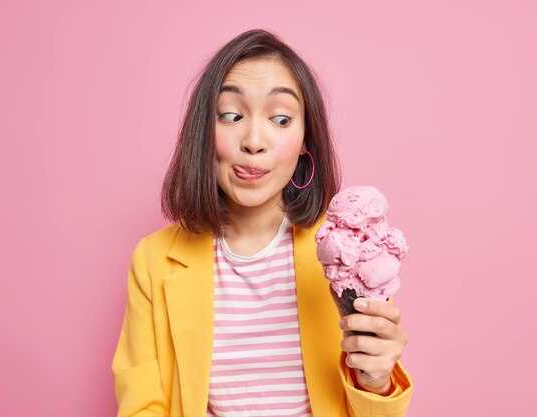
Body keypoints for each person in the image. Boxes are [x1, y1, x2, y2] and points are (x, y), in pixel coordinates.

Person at [112, 28, 413, 417]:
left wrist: (376, 380)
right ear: (205, 132)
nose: (254, 140)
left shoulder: (342, 254)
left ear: (306, 142)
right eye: (232, 115)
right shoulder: (154, 259)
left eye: (281, 119)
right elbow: (143, 406)